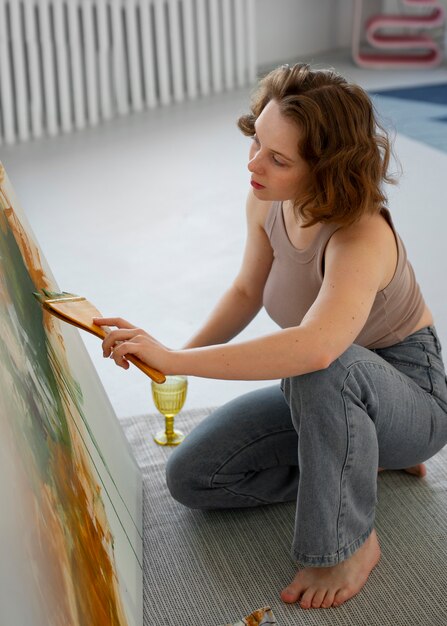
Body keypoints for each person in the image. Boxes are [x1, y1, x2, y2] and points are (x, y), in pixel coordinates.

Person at [95, 63, 447, 610]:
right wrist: (169, 356)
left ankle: (347, 542)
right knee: (194, 476)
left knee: (321, 366)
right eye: (257, 141)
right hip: (325, 394)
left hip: (411, 396)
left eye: (278, 159)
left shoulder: (361, 236)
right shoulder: (265, 198)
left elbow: (318, 348)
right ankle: (362, 457)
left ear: (327, 171)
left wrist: (182, 362)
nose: (254, 163)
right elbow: (245, 291)